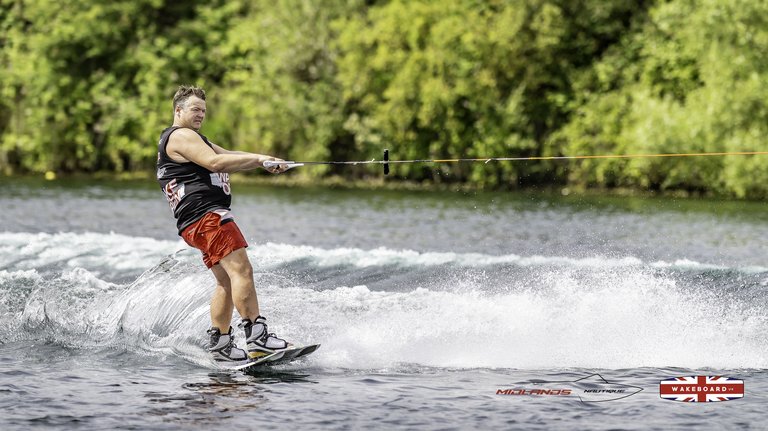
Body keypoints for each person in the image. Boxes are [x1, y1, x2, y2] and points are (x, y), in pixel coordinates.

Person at [156, 85, 291, 363]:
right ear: (178, 110)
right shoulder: (180, 136)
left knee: (226, 282)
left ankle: (221, 343)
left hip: (195, 223)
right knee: (242, 270)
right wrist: (258, 159)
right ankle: (258, 337)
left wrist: (265, 161)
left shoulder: (192, 138)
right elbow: (216, 162)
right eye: (195, 109)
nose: (201, 115)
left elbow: (226, 153)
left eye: (204, 111)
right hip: (209, 218)